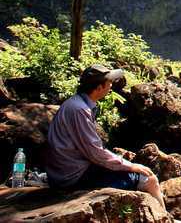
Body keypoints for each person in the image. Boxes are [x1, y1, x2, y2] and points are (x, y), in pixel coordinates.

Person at [45, 65, 165, 210]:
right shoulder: (80, 110)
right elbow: (95, 153)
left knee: (129, 171)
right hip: (73, 177)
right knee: (149, 179)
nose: (111, 85)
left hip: (65, 171)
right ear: (99, 87)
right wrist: (131, 166)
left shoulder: (76, 103)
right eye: (109, 82)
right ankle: (164, 217)